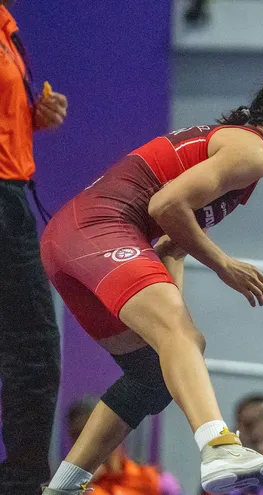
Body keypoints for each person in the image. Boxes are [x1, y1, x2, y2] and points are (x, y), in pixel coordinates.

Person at [39, 70, 263, 495]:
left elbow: (171, 246)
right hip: (95, 229)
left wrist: (173, 336)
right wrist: (223, 265)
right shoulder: (250, 152)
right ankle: (220, 448)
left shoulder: (241, 165)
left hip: (70, 243)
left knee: (153, 375)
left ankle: (64, 486)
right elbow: (166, 205)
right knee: (182, 337)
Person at [0, 1, 69, 493]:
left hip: (10, 193)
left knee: (30, 347)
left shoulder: (6, 22)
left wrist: (30, 118)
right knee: (33, 348)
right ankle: (23, 484)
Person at [66, 397, 183, 495]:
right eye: (77, 437)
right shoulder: (79, 489)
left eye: (95, 434)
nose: (85, 445)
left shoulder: (155, 480)